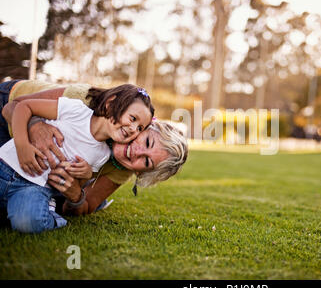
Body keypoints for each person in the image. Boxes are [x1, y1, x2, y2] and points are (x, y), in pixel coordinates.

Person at [0, 80, 187, 228]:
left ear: (141, 173)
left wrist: (75, 194)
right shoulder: (86, 101)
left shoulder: (120, 166)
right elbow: (14, 107)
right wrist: (35, 126)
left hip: (34, 172)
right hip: (9, 106)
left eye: (146, 162)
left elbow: (86, 205)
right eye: (146, 141)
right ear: (148, 128)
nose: (136, 152)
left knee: (36, 200)